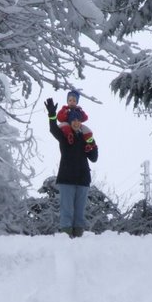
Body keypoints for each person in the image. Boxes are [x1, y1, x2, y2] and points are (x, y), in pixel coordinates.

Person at [45, 96, 99, 237]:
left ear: (81, 122)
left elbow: (94, 158)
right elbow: (53, 130)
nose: (76, 122)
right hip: (67, 179)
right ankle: (66, 240)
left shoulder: (86, 137)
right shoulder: (64, 136)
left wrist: (92, 145)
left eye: (78, 120)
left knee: (80, 213)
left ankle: (78, 240)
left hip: (83, 179)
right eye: (73, 120)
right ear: (69, 121)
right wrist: (51, 115)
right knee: (67, 212)